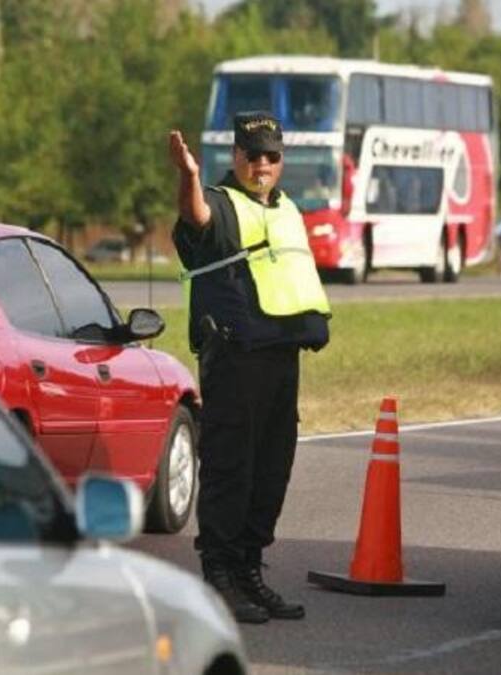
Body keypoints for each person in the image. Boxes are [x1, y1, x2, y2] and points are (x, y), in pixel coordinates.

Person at [168, 112, 331, 624]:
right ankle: (218, 573)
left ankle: (249, 569)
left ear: (282, 161)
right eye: (252, 154)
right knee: (231, 466)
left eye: (271, 156)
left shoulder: (287, 210)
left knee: (271, 469)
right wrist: (190, 177)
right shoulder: (218, 201)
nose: (262, 164)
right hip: (234, 357)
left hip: (282, 356)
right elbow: (196, 218)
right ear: (235, 156)